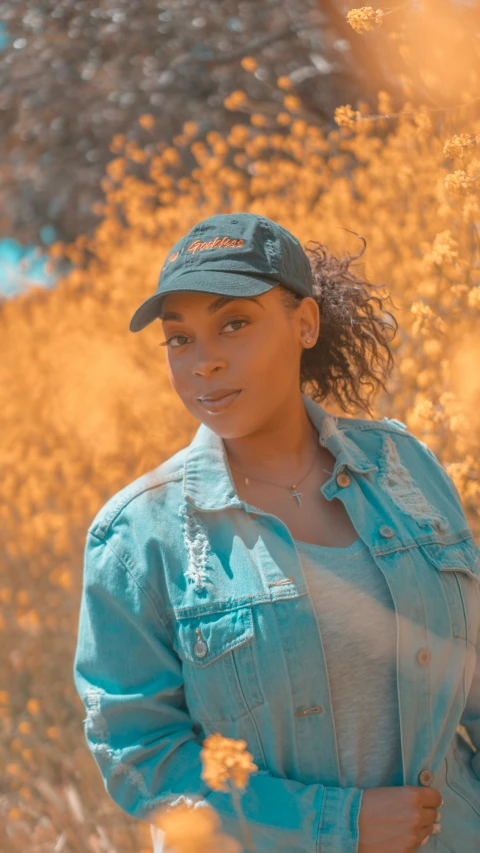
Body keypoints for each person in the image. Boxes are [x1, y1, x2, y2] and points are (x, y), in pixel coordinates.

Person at [73, 213, 480, 853]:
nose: (204, 363)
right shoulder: (137, 536)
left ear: (305, 324)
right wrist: (341, 826)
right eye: (179, 340)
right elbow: (138, 755)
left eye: (234, 324)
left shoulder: (405, 468)